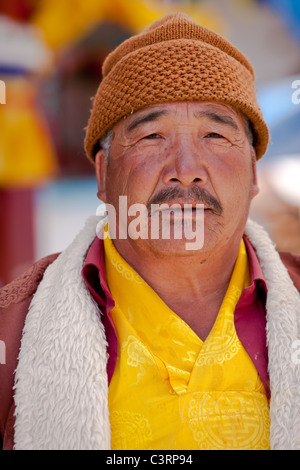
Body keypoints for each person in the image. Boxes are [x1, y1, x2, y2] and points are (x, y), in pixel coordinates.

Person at [0, 12, 300, 451]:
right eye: (152, 136)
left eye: (215, 135)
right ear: (103, 173)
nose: (185, 171)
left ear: (254, 173)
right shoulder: (12, 330)